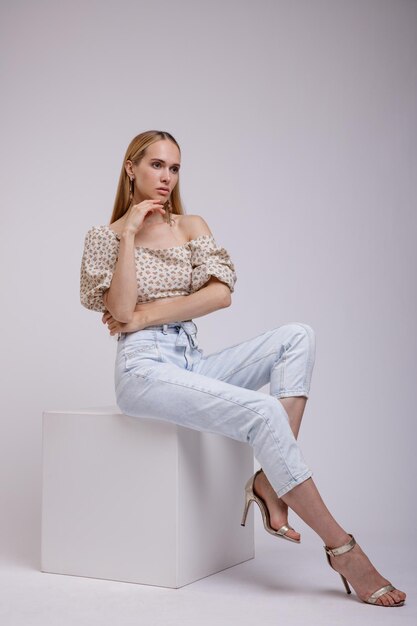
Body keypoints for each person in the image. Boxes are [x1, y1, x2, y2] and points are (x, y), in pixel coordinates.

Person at [80, 130, 406, 607]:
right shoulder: (104, 238)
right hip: (143, 369)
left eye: (174, 168)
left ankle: (270, 482)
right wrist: (128, 232)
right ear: (131, 168)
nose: (167, 177)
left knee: (298, 336)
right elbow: (121, 307)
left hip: (191, 360)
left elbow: (220, 294)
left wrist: (149, 314)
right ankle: (342, 548)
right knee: (263, 412)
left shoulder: (190, 226)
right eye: (156, 165)